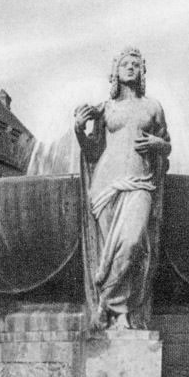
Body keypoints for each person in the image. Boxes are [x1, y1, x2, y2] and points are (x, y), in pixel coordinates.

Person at [75, 47, 171, 331]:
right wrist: (79, 130)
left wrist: (158, 144)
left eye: (136, 64)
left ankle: (106, 303)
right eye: (125, 64)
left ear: (142, 72)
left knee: (131, 244)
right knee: (110, 250)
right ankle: (120, 315)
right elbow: (92, 152)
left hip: (140, 182)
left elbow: (167, 145)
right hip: (106, 186)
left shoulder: (153, 108)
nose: (130, 67)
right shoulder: (106, 109)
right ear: (115, 72)